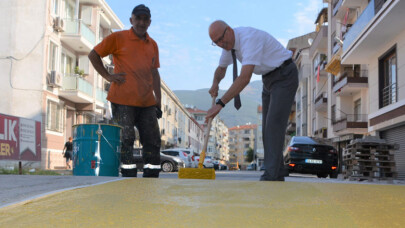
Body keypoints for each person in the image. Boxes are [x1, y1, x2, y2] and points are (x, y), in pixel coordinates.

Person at [206, 20, 298, 181]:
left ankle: (271, 174)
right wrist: (215, 83)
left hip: (285, 75)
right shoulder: (228, 46)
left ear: (228, 30)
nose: (220, 44)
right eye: (216, 43)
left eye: (221, 39)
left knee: (274, 124)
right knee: (267, 131)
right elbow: (221, 69)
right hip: (268, 80)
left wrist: (220, 103)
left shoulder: (249, 39)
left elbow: (244, 78)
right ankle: (278, 169)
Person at [88, 4, 162, 178]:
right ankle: (128, 176)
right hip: (122, 101)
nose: (141, 22)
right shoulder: (118, 38)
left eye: (145, 19)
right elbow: (93, 54)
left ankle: (151, 178)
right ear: (131, 20)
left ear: (149, 22)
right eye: (138, 18)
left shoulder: (153, 45)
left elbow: (154, 72)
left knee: (152, 140)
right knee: (126, 139)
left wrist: (158, 99)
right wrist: (108, 76)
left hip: (147, 103)